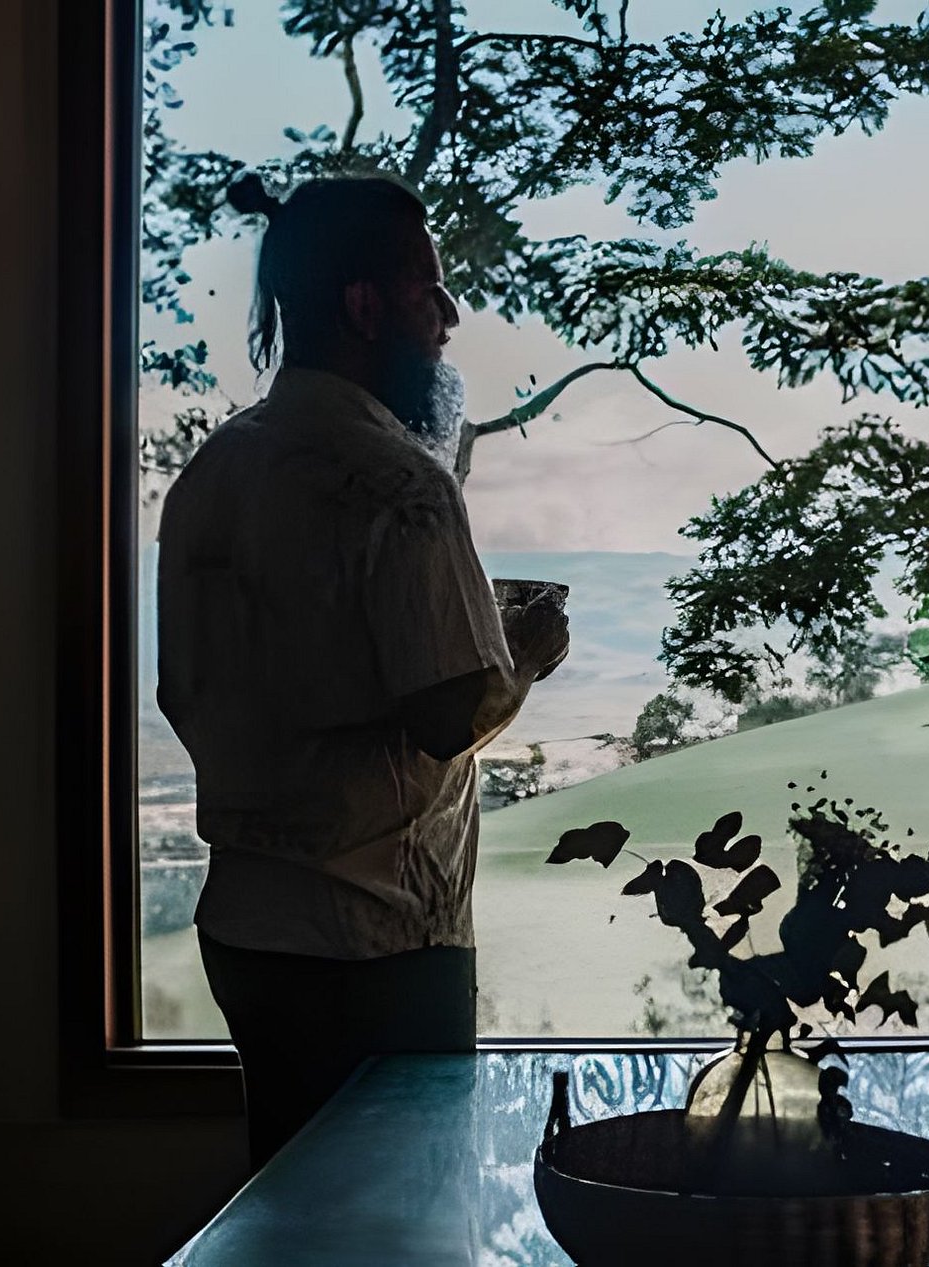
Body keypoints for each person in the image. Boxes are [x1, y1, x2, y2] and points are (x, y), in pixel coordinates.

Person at [157, 172, 569, 1168]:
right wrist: (522, 655)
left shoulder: (214, 473)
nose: (449, 316)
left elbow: (187, 687)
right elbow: (449, 712)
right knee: (400, 1211)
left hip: (247, 932)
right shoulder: (400, 483)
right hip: (379, 943)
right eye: (430, 289)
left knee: (290, 1200)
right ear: (363, 304)